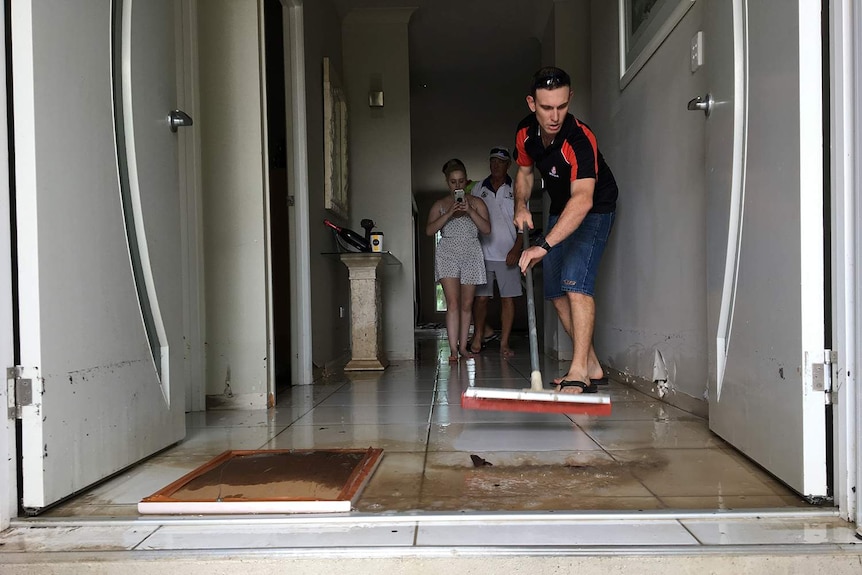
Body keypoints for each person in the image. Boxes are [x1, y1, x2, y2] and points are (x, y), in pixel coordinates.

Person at [513, 67, 618, 393]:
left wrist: (542, 245)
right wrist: (521, 205)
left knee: (575, 282)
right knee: (555, 290)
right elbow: (525, 173)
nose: (555, 115)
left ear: (569, 98)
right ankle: (593, 364)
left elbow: (583, 200)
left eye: (561, 106)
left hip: (594, 207)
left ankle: (579, 372)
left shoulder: (579, 139)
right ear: (532, 103)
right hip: (561, 206)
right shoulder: (526, 134)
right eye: (546, 107)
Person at [426, 158, 491, 362]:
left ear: (467, 181)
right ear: (448, 183)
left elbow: (487, 229)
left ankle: (463, 347)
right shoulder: (440, 204)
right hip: (447, 252)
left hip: (471, 251)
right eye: (453, 182)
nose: (457, 185)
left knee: (467, 303)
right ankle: (453, 350)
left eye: (461, 181)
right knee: (452, 303)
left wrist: (469, 211)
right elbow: (429, 230)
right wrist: (449, 214)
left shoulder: (477, 202)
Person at [470, 146, 523, 357]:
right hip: (483, 254)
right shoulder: (478, 188)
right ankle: (478, 336)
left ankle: (504, 343)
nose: (495, 165)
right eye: (492, 161)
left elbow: (523, 225)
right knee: (481, 299)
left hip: (508, 254)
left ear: (508, 165)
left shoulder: (516, 188)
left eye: (500, 162)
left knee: (507, 299)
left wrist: (517, 249)